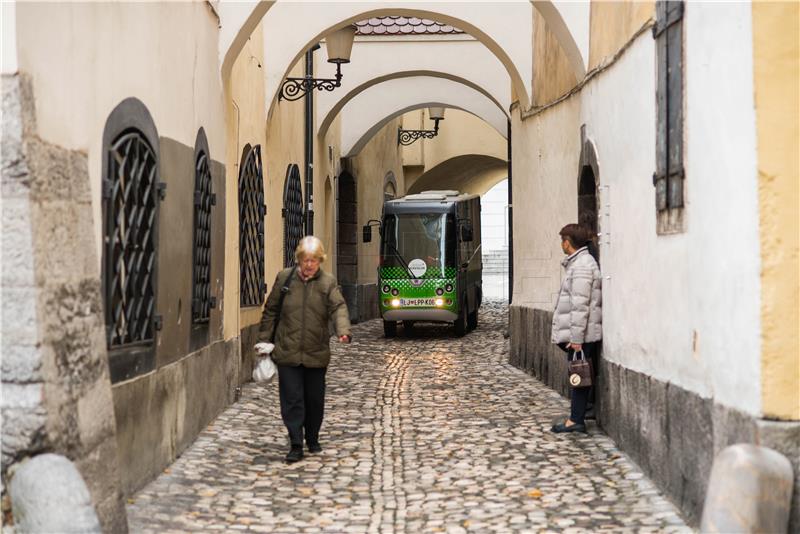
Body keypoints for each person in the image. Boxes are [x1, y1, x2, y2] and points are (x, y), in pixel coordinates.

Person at [256, 236, 351, 462]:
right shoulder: (284, 278)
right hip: (287, 350)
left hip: (315, 351)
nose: (309, 265)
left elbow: (338, 308)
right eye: (306, 260)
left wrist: (343, 330)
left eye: (314, 260)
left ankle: (313, 436)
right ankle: (296, 442)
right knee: (292, 399)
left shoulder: (327, 282)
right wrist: (264, 339)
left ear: (320, 261)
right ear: (299, 259)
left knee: (314, 399)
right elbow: (271, 310)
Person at [550, 224, 602, 433]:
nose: (561, 244)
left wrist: (577, 338)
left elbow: (580, 305)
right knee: (581, 374)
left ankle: (576, 420)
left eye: (562, 240)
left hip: (581, 335)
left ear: (568, 242)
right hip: (580, 333)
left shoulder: (581, 266)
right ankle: (582, 412)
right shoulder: (579, 263)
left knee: (578, 375)